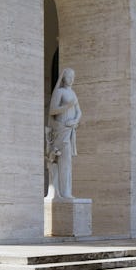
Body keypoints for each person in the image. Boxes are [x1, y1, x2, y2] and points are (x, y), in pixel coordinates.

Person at [46, 68, 81, 199]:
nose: (71, 79)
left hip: (70, 129)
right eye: (69, 76)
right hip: (61, 129)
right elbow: (52, 110)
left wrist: (75, 120)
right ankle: (63, 192)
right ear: (63, 78)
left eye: (73, 76)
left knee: (68, 161)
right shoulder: (60, 92)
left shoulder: (73, 93)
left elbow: (79, 111)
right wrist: (67, 106)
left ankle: (66, 190)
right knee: (63, 160)